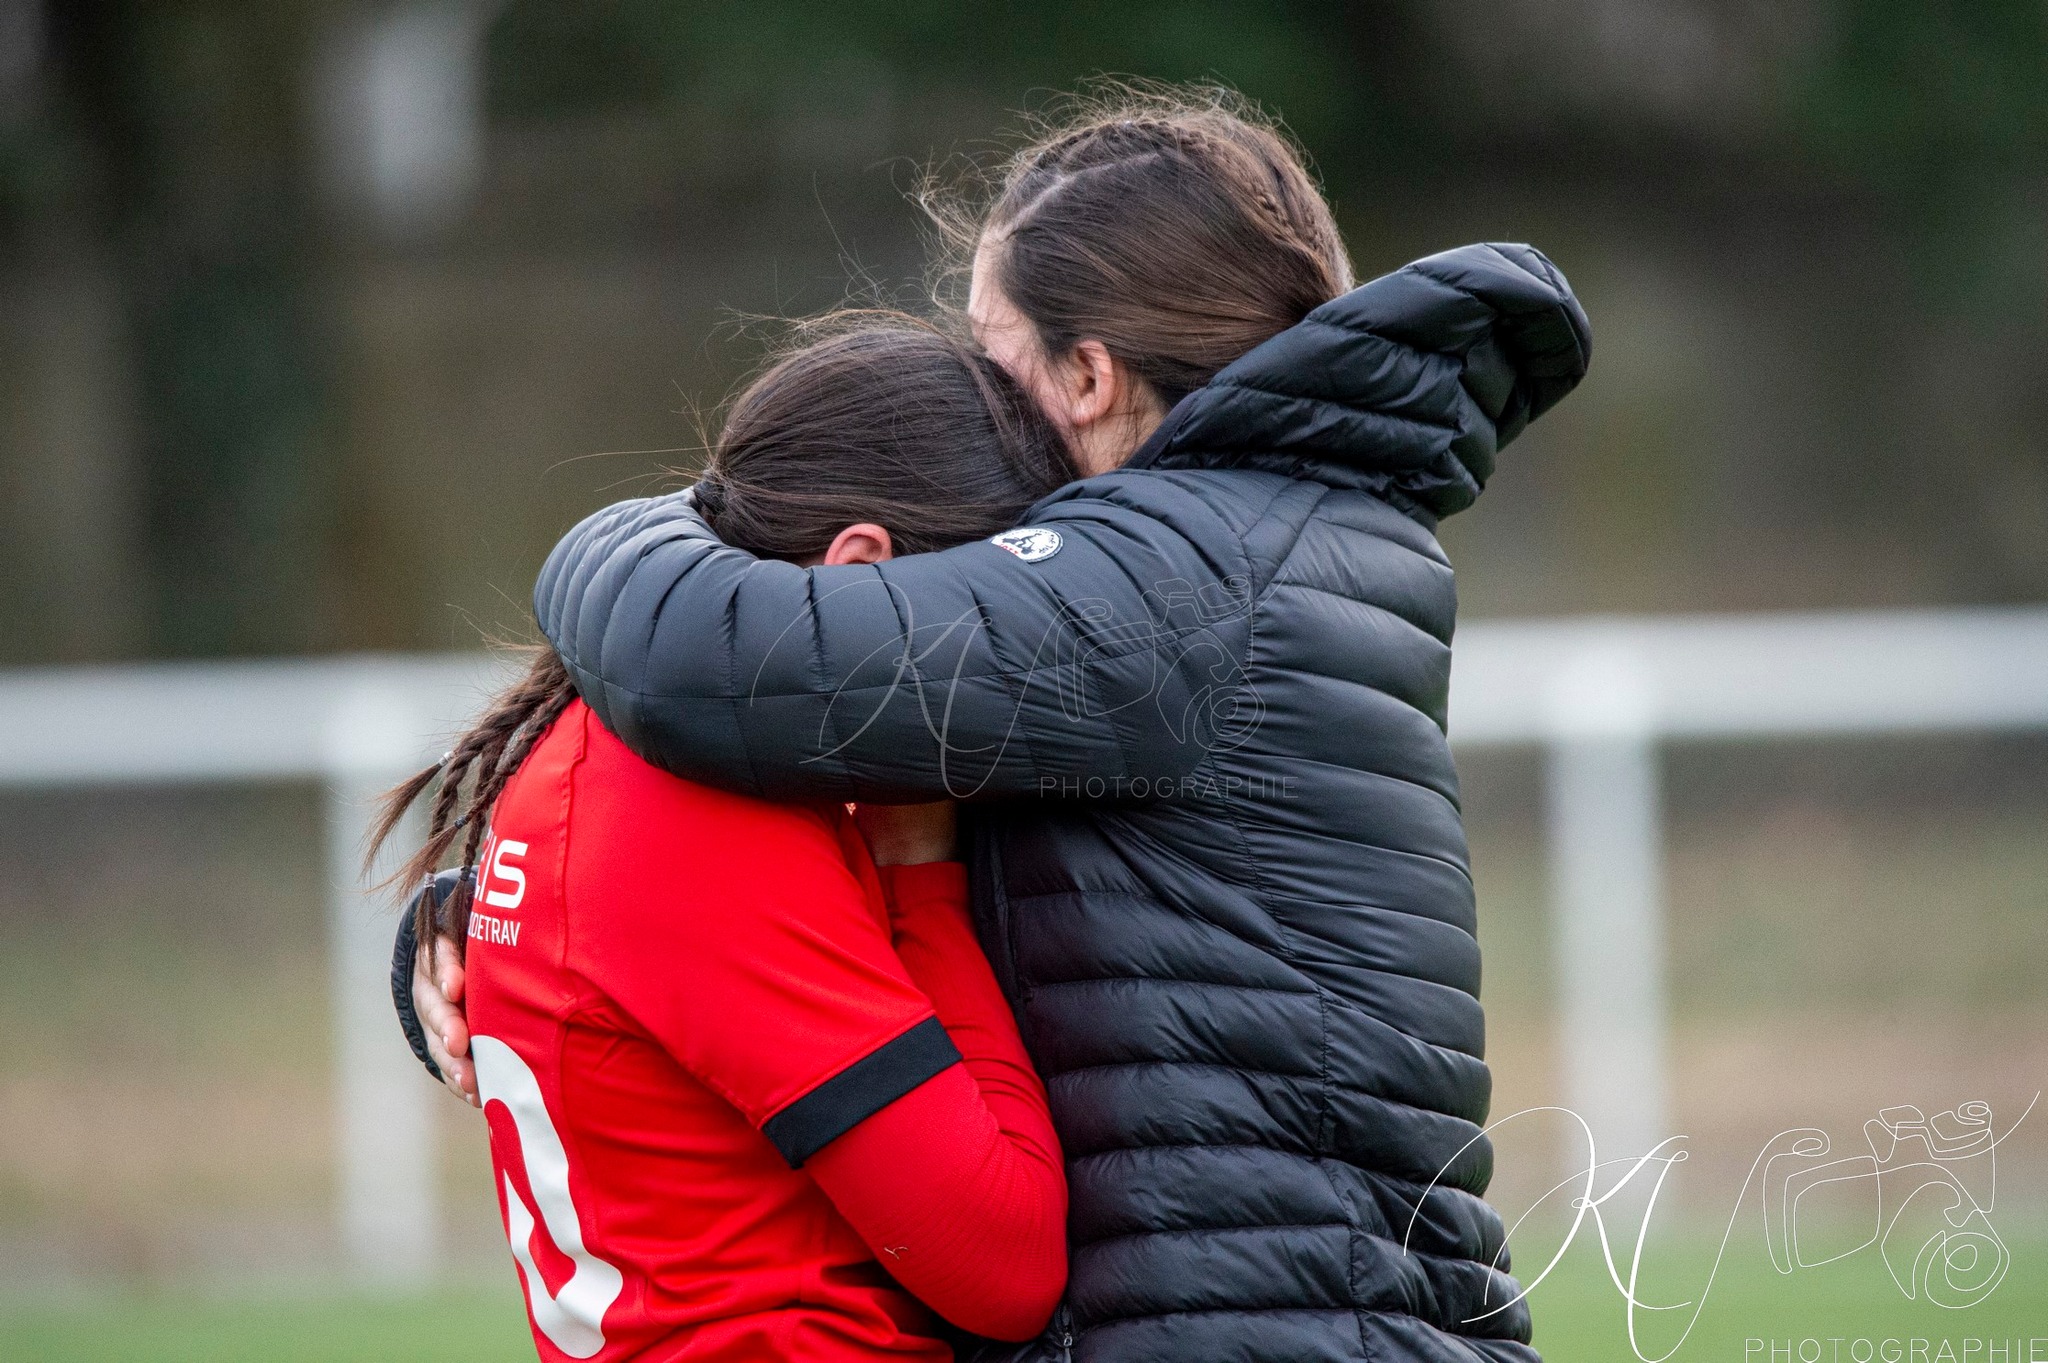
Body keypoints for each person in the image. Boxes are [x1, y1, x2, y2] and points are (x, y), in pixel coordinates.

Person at [408, 84, 1592, 1363]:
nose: (978, 397)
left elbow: (714, 661)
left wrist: (635, 525)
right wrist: (514, 937)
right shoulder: (1254, 545)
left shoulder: (1180, 572)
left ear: (1086, 376)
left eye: (991, 351)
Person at [375, 319, 1075, 1361]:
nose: (1006, 675)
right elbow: (1005, 1263)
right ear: (862, 572)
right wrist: (919, 861)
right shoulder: (703, 814)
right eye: (992, 623)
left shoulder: (611, 744)